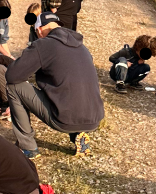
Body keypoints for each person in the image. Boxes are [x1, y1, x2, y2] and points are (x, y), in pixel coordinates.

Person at [6, 11, 104, 158]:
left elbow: (12, 75)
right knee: (72, 88)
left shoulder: (43, 45)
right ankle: (79, 134)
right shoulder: (82, 47)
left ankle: (28, 147)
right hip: (94, 117)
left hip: (64, 119)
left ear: (39, 30)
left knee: (13, 87)